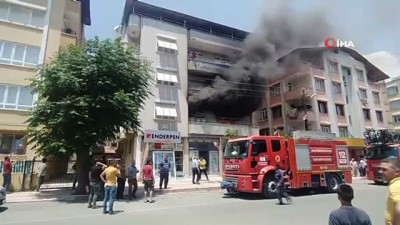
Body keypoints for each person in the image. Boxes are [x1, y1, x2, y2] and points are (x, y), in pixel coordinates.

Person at [379, 157, 400, 225]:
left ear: (397, 172)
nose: (380, 171)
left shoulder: (395, 186)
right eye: (380, 169)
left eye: (384, 170)